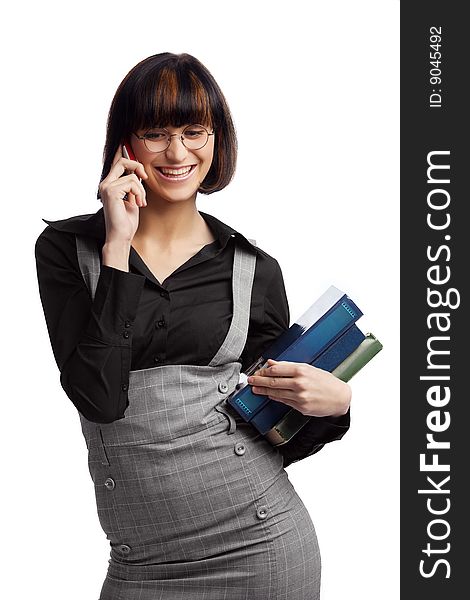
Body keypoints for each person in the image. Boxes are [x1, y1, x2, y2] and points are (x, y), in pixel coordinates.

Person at [35, 52, 351, 600]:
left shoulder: (253, 270)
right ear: (124, 145)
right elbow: (99, 398)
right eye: (156, 133)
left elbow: (276, 430)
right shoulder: (69, 252)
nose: (177, 152)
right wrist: (117, 248)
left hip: (261, 546)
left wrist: (334, 408)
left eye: (193, 131)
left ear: (216, 141)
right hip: (140, 567)